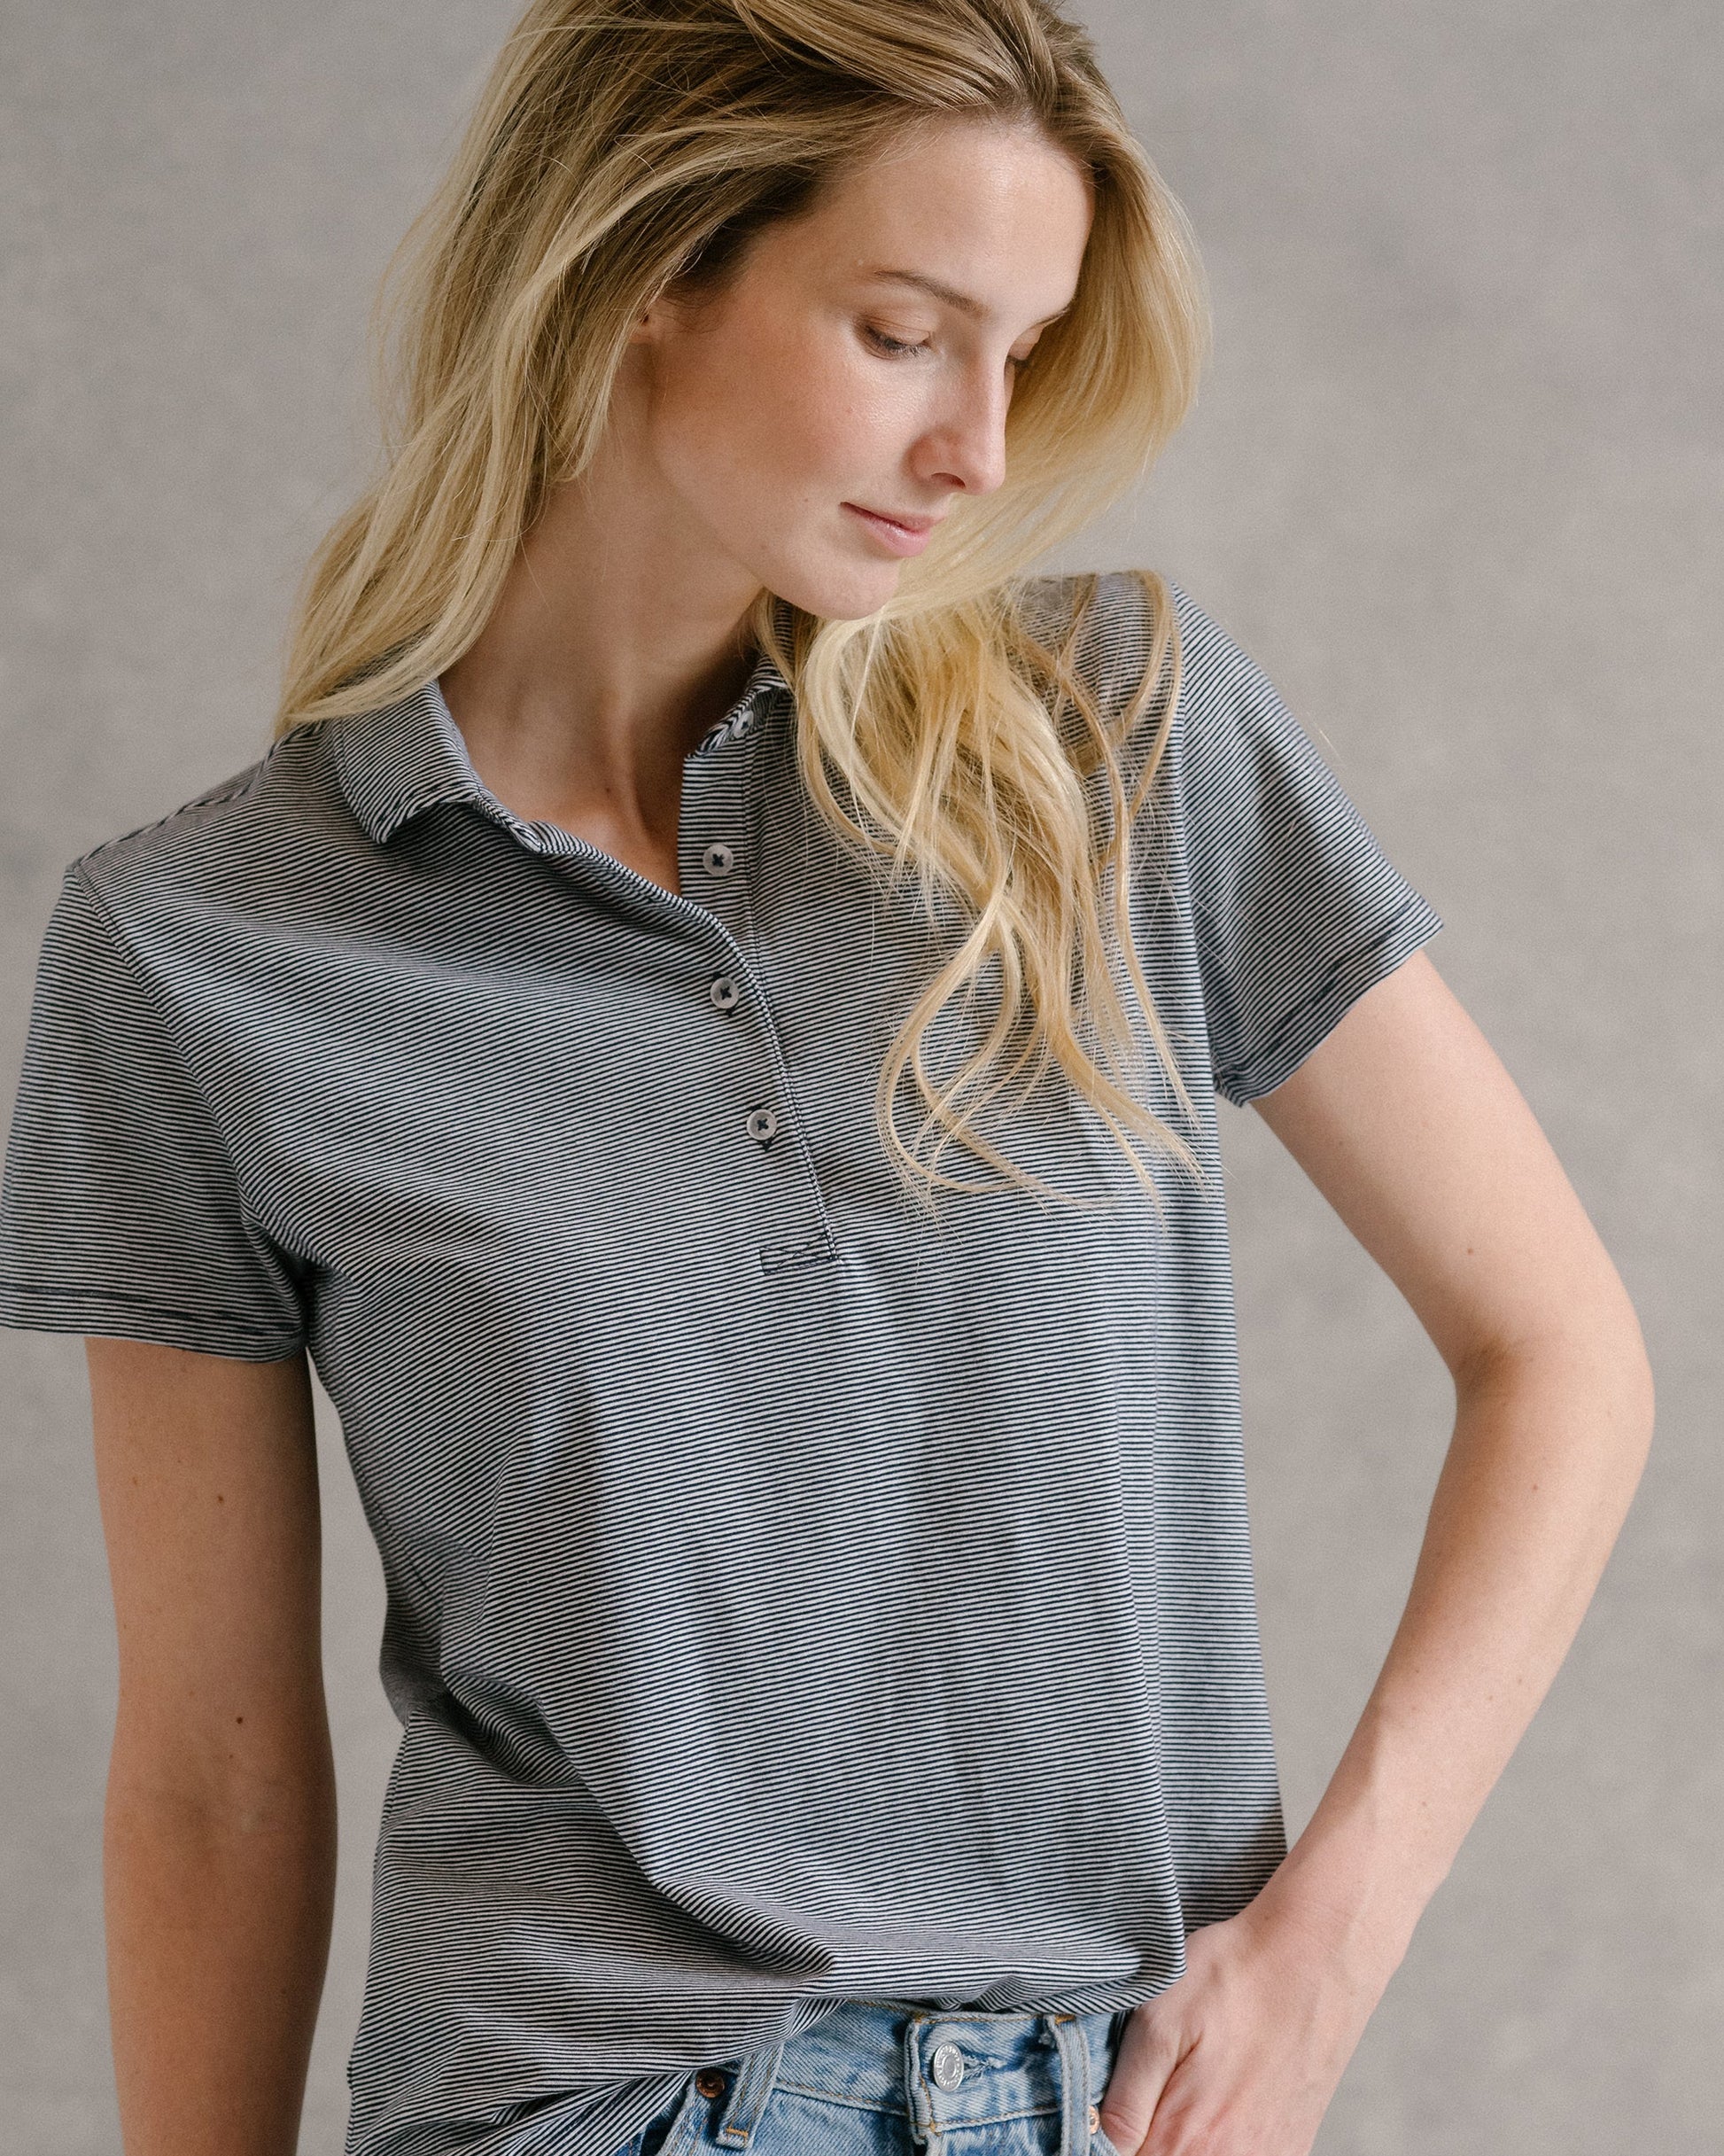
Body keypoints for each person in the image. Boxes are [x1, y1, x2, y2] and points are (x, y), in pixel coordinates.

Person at [0, 4, 1653, 2154]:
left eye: (1020, 353)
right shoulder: (204, 946)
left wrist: (1330, 1934)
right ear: (639, 268)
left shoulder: (1114, 740)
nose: (978, 446)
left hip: (1114, 2096)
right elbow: (214, 1770)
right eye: (901, 333)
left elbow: (1562, 1351)